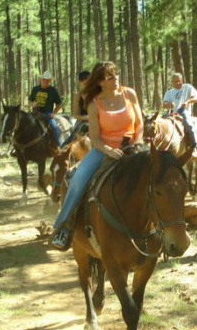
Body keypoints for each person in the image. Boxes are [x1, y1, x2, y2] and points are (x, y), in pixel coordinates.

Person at [49, 61, 144, 250]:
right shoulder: (94, 104)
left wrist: (138, 142)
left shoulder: (129, 94)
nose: (115, 79)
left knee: (162, 173)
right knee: (77, 180)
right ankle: (65, 227)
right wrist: (109, 151)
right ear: (100, 82)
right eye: (110, 77)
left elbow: (140, 122)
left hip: (134, 146)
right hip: (103, 150)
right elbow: (95, 138)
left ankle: (168, 226)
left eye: (116, 74)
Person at [162, 72, 197, 155]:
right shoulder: (169, 92)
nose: (178, 83)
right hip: (171, 112)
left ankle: (195, 147)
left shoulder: (187, 87)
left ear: (182, 80)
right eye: (175, 81)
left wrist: (187, 101)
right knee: (159, 123)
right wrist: (169, 104)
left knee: (189, 125)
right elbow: (164, 104)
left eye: (179, 81)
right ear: (172, 82)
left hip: (183, 111)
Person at [28, 71, 63, 147]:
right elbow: (30, 102)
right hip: (35, 113)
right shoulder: (35, 89)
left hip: (47, 114)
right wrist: (33, 104)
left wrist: (53, 113)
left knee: (54, 127)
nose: (45, 81)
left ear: (50, 81)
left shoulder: (53, 90)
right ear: (41, 79)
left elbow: (59, 104)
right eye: (44, 79)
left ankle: (60, 146)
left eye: (47, 80)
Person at [61, 70, 90, 147]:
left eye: (86, 79)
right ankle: (63, 149)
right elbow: (75, 114)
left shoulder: (97, 94)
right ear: (79, 82)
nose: (84, 81)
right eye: (82, 79)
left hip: (97, 120)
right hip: (82, 121)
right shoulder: (78, 96)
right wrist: (84, 117)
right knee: (72, 139)